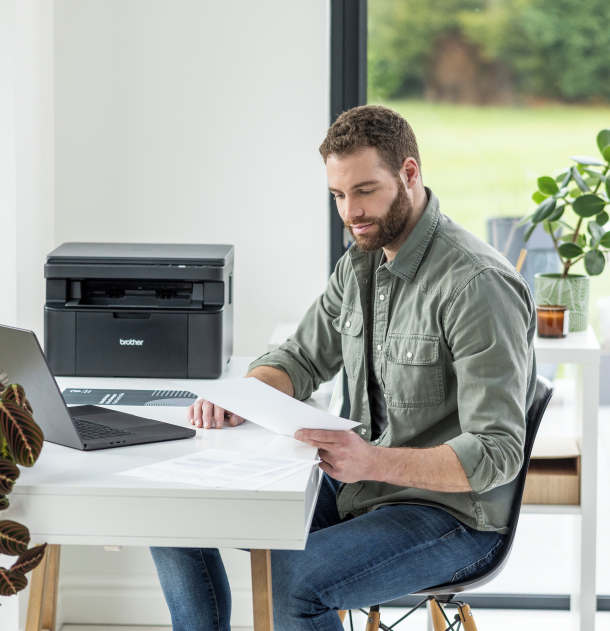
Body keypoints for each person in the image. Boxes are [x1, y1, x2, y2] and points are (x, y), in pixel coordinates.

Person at [150, 105, 536, 631]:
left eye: (365, 191)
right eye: (337, 195)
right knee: (172, 509)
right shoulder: (361, 262)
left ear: (409, 174)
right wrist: (243, 396)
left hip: (452, 515)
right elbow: (302, 357)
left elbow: (497, 451)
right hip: (362, 486)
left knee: (296, 581)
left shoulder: (477, 285)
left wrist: (371, 462)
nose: (351, 212)